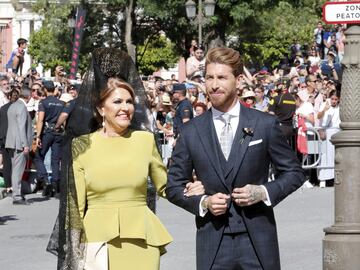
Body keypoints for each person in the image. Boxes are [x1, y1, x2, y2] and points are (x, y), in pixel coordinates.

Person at [46, 48, 204, 270]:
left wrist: (190, 190)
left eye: (129, 102)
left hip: (143, 242)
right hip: (97, 243)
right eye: (117, 102)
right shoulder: (81, 145)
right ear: (101, 108)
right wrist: (73, 254)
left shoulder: (145, 140)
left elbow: (165, 186)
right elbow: (76, 205)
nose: (126, 108)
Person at [166, 47, 306, 270]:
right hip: (212, 241)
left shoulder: (264, 124)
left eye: (221, 77)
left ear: (238, 80)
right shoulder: (192, 131)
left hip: (258, 240)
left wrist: (263, 192)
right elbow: (173, 186)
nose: (213, 85)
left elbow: (294, 173)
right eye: (209, 78)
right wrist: (203, 202)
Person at [33, 80, 64, 197]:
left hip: (47, 132)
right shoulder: (61, 103)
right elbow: (63, 119)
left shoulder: (43, 102)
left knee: (38, 156)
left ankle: (45, 180)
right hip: (58, 132)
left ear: (45, 90)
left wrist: (37, 136)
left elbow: (40, 120)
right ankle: (56, 184)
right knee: (55, 159)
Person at [5, 89, 33, 204]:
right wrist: (25, 144)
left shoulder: (12, 106)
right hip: (18, 143)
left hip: (11, 141)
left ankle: (16, 193)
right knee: (18, 170)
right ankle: (16, 196)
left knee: (15, 170)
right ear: (28, 96)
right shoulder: (21, 107)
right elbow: (22, 127)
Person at [317, 90, 340, 188]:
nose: (334, 101)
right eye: (332, 99)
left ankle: (334, 178)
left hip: (337, 133)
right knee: (325, 155)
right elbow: (318, 116)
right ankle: (323, 179)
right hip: (326, 133)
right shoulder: (324, 104)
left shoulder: (340, 108)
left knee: (335, 157)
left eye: (336, 99)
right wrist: (324, 110)